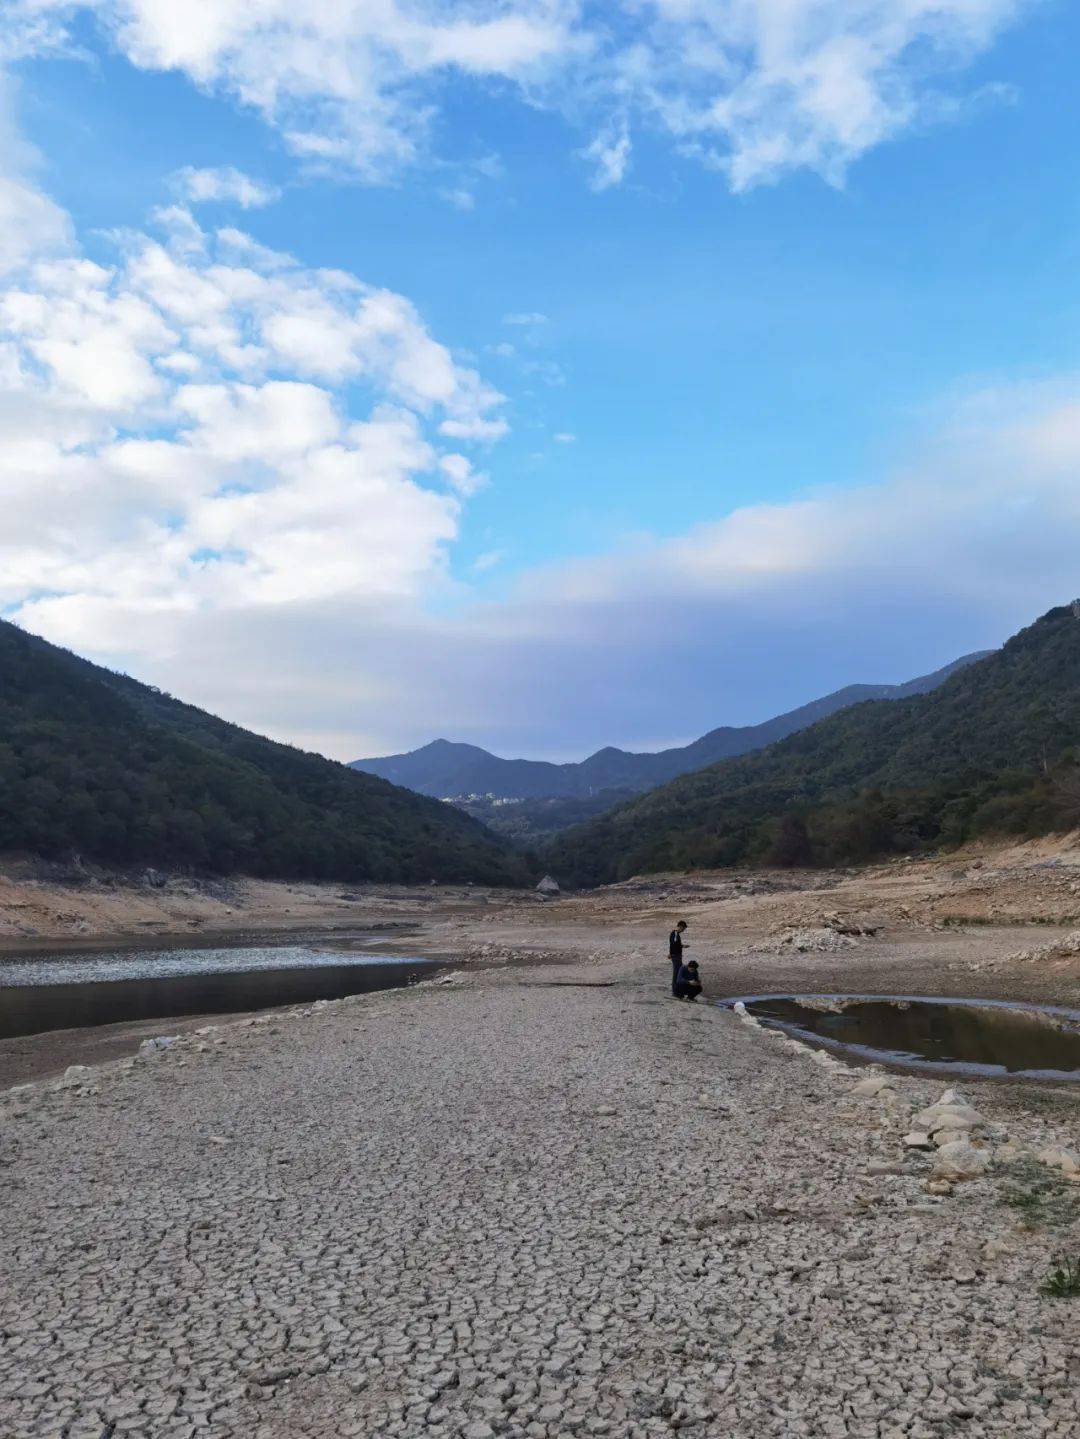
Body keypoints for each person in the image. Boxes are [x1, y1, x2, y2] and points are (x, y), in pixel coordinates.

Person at [668, 920, 688, 996]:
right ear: (680, 926)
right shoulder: (675, 934)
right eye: (683, 928)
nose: (683, 930)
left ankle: (676, 991)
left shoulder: (675, 934)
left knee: (678, 972)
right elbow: (674, 944)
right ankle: (675, 992)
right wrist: (672, 953)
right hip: (676, 956)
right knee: (677, 973)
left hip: (676, 956)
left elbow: (674, 944)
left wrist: (682, 946)